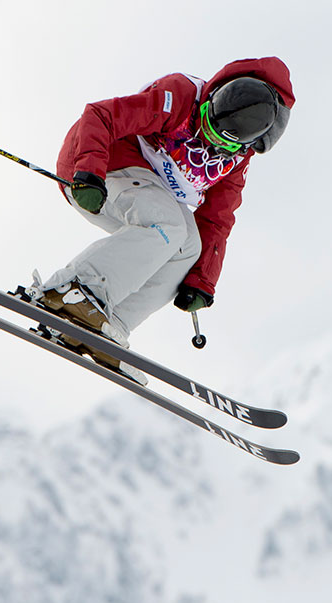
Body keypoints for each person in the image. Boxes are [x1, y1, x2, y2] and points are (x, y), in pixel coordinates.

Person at [23, 57, 296, 383]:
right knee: (168, 226)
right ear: (213, 96)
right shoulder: (181, 96)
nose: (209, 140)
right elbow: (102, 114)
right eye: (206, 121)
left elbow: (217, 219)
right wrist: (89, 170)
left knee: (188, 247)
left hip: (147, 188)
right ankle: (72, 290)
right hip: (101, 166)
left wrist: (202, 280)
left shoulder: (235, 164)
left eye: (222, 142)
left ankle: (108, 323)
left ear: (245, 146)